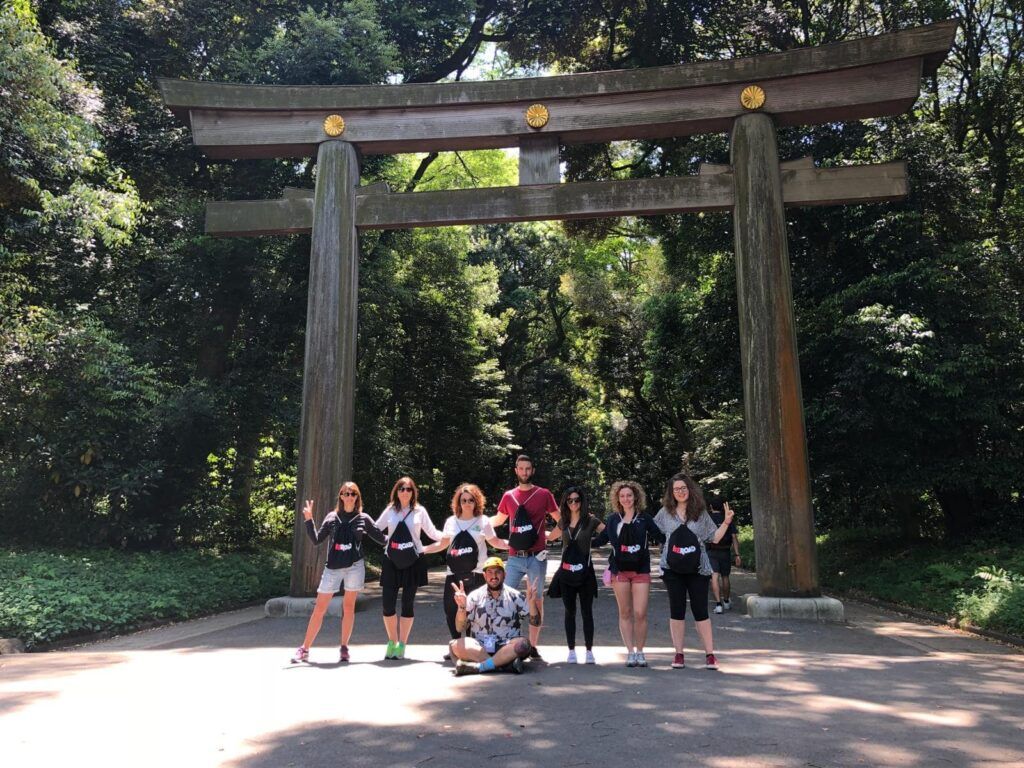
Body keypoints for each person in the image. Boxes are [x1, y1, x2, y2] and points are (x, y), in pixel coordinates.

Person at [292, 482, 384, 663]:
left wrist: (404, 540)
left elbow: (382, 539)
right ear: (341, 496)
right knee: (319, 608)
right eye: (346, 493)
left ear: (357, 497)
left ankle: (344, 648)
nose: (350, 497)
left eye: (353, 494)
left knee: (348, 607)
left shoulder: (363, 518)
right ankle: (305, 648)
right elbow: (317, 540)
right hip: (333, 567)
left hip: (354, 567)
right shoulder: (332, 517)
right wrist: (309, 519)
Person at [653, 473, 735, 671]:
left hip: (698, 567)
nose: (680, 492)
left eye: (683, 488)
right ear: (671, 493)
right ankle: (679, 653)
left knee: (701, 611)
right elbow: (654, 532)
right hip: (672, 568)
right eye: (676, 489)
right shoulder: (665, 513)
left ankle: (710, 654)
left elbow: (714, 538)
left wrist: (726, 522)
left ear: (689, 489)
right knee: (677, 610)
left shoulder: (700, 512)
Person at [423, 483, 509, 655]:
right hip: (453, 574)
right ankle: (456, 644)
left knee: (475, 611)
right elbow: (443, 543)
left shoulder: (483, 521)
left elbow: (495, 542)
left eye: (471, 500)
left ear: (476, 501)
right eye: (464, 500)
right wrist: (422, 549)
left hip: (476, 573)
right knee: (450, 609)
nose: (467, 503)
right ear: (458, 502)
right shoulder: (451, 522)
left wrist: (516, 545)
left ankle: (472, 646)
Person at [490, 454, 559, 656]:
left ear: (533, 470)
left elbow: (560, 520)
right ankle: (507, 643)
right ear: (516, 470)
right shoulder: (508, 496)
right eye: (521, 468)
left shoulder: (544, 494)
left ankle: (533, 646)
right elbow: (498, 520)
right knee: (504, 598)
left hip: (536, 556)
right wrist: (476, 521)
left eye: (528, 468)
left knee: (536, 600)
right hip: (514, 557)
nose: (524, 472)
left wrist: (549, 538)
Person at [593, 480, 665, 668]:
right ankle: (630, 652)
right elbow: (600, 540)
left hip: (641, 569)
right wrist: (577, 535)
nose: (626, 499)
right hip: (619, 571)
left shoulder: (645, 518)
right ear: (617, 498)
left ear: (636, 497)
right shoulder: (613, 519)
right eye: (622, 495)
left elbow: (661, 536)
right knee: (625, 612)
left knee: (640, 613)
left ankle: (640, 652)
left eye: (629, 495)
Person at [374, 476, 442, 660]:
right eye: (401, 489)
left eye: (408, 489)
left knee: (407, 603)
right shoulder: (390, 510)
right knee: (387, 604)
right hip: (391, 560)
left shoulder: (420, 511)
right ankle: (392, 642)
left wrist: (452, 535)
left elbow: (433, 532)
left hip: (413, 560)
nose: (405, 492)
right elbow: (375, 528)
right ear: (396, 491)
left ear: (413, 492)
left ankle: (402, 644)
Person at [449, 556, 541, 675]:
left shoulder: (515, 596)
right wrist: (461, 608)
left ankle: (480, 667)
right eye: (490, 572)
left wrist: (532, 603)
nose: (494, 576)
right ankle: (504, 665)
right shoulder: (474, 596)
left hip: (507, 646)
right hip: (480, 647)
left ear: (505, 575)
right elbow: (460, 628)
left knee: (524, 644)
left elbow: (536, 622)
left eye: (498, 572)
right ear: (484, 575)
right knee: (456, 645)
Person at [546, 486, 604, 664]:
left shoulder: (591, 520)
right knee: (569, 611)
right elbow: (549, 537)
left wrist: (597, 544)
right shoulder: (563, 521)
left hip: (585, 572)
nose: (573, 503)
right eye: (569, 500)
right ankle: (571, 650)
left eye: (576, 500)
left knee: (587, 612)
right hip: (567, 573)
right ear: (565, 502)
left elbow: (609, 533)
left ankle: (589, 651)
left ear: (582, 501)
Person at [706, 493, 741, 613]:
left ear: (711, 506)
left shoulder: (708, 518)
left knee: (714, 576)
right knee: (725, 576)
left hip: (711, 551)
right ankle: (726, 601)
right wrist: (737, 554)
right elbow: (734, 538)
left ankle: (718, 604)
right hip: (725, 551)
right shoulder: (728, 518)